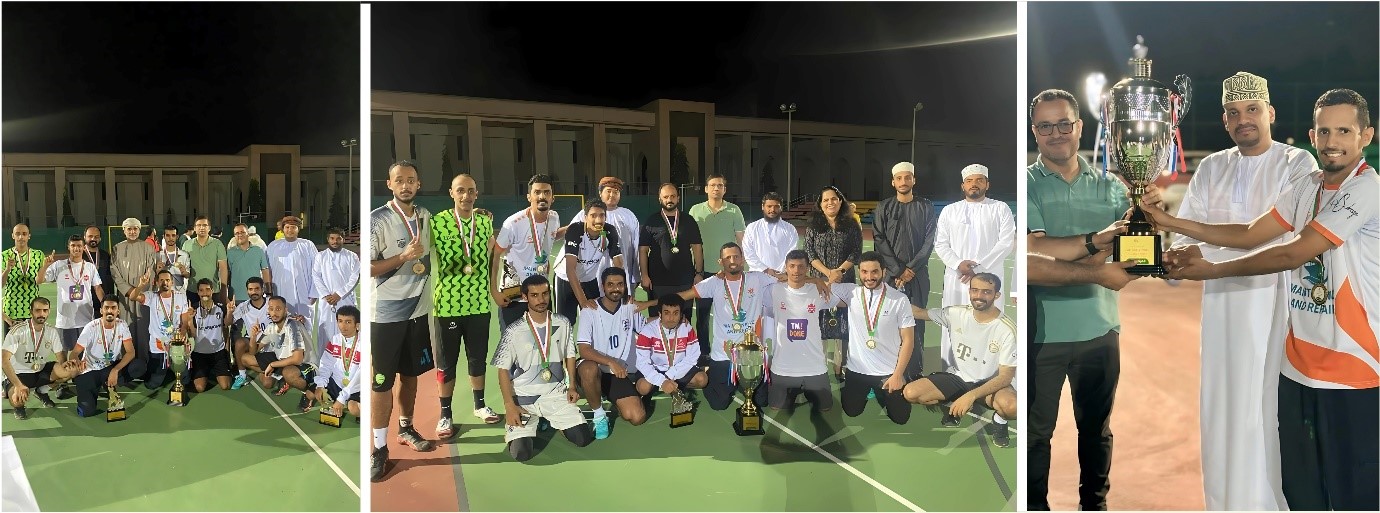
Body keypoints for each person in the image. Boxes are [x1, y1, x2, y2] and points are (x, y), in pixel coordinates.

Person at [1146, 89, 1377, 511]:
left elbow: (1292, 252)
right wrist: (1168, 221)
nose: (1332, 140)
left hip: (1352, 368)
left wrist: (1212, 270)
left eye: (1344, 130)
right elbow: (1250, 233)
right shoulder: (1308, 186)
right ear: (1311, 134)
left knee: (1353, 492)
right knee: (1303, 489)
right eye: (1324, 131)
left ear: (1366, 136)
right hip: (1301, 366)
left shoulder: (1364, 189)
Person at [1165, 72, 1319, 511]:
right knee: (1225, 413)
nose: (1243, 119)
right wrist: (1169, 259)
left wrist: (1204, 247)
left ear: (1270, 113)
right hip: (1222, 315)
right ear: (1225, 120)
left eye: (1252, 110)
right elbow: (1184, 247)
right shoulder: (1213, 167)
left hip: (1279, 309)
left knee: (1271, 414)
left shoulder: (1297, 164)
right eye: (1234, 113)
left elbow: (1278, 239)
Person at [1025, 88, 1161, 511]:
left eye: (1064, 123)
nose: (1056, 133)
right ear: (1035, 132)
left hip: (1100, 332)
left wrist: (1150, 215)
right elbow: (1036, 253)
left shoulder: (1115, 188)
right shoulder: (1026, 183)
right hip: (1041, 335)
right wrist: (1099, 246)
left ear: (1079, 127)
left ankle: (1094, 506)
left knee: (1096, 432)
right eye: (1045, 125)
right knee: (1035, 437)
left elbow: (1134, 256)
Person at [370, 160, 437, 482]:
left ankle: (406, 427)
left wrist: (481, 216)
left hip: (418, 313)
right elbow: (367, 268)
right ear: (390, 184)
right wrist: (402, 257)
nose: (406, 185)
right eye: (400, 181)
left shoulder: (425, 217)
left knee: (411, 376)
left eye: (411, 180)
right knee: (382, 382)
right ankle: (378, 448)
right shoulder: (377, 220)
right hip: (385, 315)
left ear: (418, 184)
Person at [933, 164, 1015, 423]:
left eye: (979, 180)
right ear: (963, 185)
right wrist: (959, 264)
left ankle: (990, 385)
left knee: (992, 332)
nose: (974, 184)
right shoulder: (949, 211)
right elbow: (941, 244)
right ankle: (952, 390)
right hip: (957, 281)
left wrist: (977, 269)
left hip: (988, 281)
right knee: (952, 329)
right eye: (970, 181)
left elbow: (1006, 242)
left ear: (987, 184)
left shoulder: (1000, 209)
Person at [903, 273, 1017, 447]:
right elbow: (919, 313)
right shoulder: (955, 313)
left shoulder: (1007, 329)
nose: (979, 296)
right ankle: (956, 401)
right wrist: (890, 297)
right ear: (969, 291)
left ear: (997, 295)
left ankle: (1000, 421)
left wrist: (971, 396)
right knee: (911, 393)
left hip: (989, 383)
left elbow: (1005, 377)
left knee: (1012, 407)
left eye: (986, 292)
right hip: (958, 378)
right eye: (975, 290)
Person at [493, 275, 594, 461]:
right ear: (525, 297)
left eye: (545, 294)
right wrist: (509, 405)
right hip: (524, 399)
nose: (541, 300)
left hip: (555, 395)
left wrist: (572, 385)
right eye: (535, 295)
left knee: (582, 439)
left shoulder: (562, 323)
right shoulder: (513, 331)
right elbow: (502, 371)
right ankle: (521, 430)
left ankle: (556, 423)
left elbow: (570, 355)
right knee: (521, 453)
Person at [431, 173, 501, 437]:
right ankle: (445, 414)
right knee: (447, 363)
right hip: (448, 304)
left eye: (471, 191)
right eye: (461, 190)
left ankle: (480, 405)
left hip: (479, 303)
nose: (466, 196)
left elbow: (494, 256)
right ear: (452, 193)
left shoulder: (484, 223)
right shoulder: (438, 222)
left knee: (477, 359)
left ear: (476, 193)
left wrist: (494, 290)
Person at [674, 242, 776, 411]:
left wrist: (816, 279)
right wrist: (650, 304)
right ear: (720, 262)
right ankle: (711, 373)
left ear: (743, 260)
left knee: (761, 401)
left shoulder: (757, 278)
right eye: (727, 257)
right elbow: (684, 296)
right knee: (718, 405)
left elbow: (789, 278)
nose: (732, 260)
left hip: (751, 354)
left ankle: (743, 384)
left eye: (736, 256)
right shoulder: (714, 282)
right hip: (723, 355)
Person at [824, 252, 915, 425]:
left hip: (887, 372)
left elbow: (908, 340)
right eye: (864, 272)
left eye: (874, 271)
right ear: (859, 272)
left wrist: (897, 375)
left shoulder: (899, 299)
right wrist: (832, 275)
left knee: (901, 418)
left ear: (884, 271)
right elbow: (822, 286)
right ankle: (869, 391)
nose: (869, 277)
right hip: (858, 370)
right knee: (851, 412)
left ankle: (883, 391)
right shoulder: (851, 292)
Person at [575, 267, 658, 439]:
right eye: (610, 284)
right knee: (589, 370)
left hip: (617, 374)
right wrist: (610, 362)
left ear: (625, 286)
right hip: (595, 368)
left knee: (637, 417)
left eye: (620, 284)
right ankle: (598, 415)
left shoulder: (629, 307)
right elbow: (583, 350)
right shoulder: (589, 310)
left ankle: (613, 397)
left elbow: (645, 326)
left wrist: (669, 317)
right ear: (603, 286)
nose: (615, 289)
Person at [872, 163, 936, 379]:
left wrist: (911, 268)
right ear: (893, 182)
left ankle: (914, 373)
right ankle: (886, 369)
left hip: (918, 275)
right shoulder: (884, 207)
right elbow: (879, 239)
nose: (903, 182)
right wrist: (898, 270)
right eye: (899, 178)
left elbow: (929, 240)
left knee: (916, 321)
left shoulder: (925, 207)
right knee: (886, 320)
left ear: (913, 180)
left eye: (907, 178)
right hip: (890, 275)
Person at [764, 250, 836, 413]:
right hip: (783, 366)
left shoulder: (819, 291)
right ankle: (796, 389)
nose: (796, 271)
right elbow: (751, 281)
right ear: (786, 268)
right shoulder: (774, 290)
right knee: (776, 407)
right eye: (792, 266)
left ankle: (805, 389)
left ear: (807, 269)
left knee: (825, 408)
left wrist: (817, 280)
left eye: (801, 267)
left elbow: (844, 297)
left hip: (814, 366)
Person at [804, 186, 862, 379]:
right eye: (825, 200)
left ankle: (840, 367)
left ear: (840, 201)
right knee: (819, 325)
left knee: (842, 326)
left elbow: (856, 251)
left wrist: (840, 271)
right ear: (820, 205)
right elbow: (810, 254)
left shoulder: (852, 224)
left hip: (845, 282)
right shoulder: (813, 226)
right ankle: (818, 366)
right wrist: (828, 273)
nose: (830, 202)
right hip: (819, 282)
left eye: (834, 199)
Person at [689, 175, 747, 363]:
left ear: (725, 189)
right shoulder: (696, 210)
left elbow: (741, 240)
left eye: (720, 185)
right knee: (703, 316)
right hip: (703, 272)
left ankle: (734, 349)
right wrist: (696, 270)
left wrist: (741, 265)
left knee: (732, 315)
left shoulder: (734, 210)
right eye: (713, 185)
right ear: (706, 189)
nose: (716, 188)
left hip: (728, 273)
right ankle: (704, 352)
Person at [494, 174, 562, 328]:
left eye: (546, 192)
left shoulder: (554, 218)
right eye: (537, 192)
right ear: (529, 197)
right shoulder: (513, 223)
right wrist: (494, 292)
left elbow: (552, 235)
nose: (542, 196)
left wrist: (573, 227)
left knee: (542, 343)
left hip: (541, 293)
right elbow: (496, 254)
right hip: (514, 294)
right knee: (513, 345)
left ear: (553, 197)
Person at [39, 236, 104, 381]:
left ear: (83, 247)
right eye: (73, 245)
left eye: (79, 245)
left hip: (86, 319)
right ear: (69, 247)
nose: (76, 248)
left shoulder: (89, 267)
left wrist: (105, 305)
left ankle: (81, 378)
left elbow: (98, 288)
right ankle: (62, 382)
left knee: (84, 352)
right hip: (65, 319)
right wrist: (45, 265)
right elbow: (40, 280)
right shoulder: (59, 265)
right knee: (62, 353)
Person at [2, 299, 79, 419]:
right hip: (19, 375)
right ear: (31, 312)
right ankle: (19, 407)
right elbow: (4, 360)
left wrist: (67, 365)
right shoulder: (18, 331)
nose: (41, 314)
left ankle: (41, 391)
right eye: (38, 310)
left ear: (48, 312)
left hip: (40, 371)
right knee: (16, 399)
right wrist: (18, 385)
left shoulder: (51, 331)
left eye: (45, 310)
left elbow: (60, 356)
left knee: (72, 371)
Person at [567, 176, 642, 296]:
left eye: (616, 192)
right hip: (591, 276)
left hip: (622, 272)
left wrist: (636, 275)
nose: (612, 195)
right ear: (600, 193)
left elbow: (636, 246)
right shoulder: (585, 214)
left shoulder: (628, 216)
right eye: (608, 191)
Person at [639, 183, 703, 317]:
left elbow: (697, 247)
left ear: (678, 198)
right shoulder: (652, 221)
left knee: (684, 321)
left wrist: (699, 273)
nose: (669, 200)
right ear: (660, 199)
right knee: (657, 320)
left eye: (673, 196)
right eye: (666, 197)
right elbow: (643, 250)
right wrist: (644, 275)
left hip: (685, 281)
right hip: (657, 282)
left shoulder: (689, 220)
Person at [554, 199, 623, 323]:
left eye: (602, 215)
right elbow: (570, 269)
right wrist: (583, 302)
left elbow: (618, 262)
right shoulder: (575, 230)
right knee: (565, 322)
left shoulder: (609, 231)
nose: (598, 220)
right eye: (593, 216)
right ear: (585, 217)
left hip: (589, 279)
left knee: (596, 319)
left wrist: (620, 288)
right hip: (565, 279)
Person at [633, 293, 709, 404]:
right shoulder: (647, 331)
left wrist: (671, 374)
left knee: (702, 379)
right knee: (643, 388)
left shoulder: (687, 328)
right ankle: (660, 386)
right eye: (667, 313)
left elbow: (692, 357)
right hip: (656, 369)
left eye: (675, 313)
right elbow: (642, 363)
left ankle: (673, 385)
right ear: (660, 314)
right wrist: (661, 381)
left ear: (681, 315)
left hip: (678, 369)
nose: (671, 318)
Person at [125, 269, 193, 391]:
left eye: (167, 280)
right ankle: (165, 371)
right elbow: (133, 296)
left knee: (185, 381)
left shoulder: (180, 296)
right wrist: (141, 285)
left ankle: (173, 370)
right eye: (161, 280)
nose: (164, 283)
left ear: (172, 282)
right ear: (156, 282)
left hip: (176, 346)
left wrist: (180, 338)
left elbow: (184, 321)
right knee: (152, 385)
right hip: (158, 346)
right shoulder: (152, 296)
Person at [70, 297, 136, 418]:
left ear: (118, 311)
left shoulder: (122, 325)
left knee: (138, 366)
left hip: (109, 368)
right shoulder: (91, 327)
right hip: (90, 370)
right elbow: (74, 353)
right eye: (106, 308)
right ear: (101, 311)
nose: (109, 311)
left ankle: (109, 384)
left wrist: (115, 370)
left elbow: (131, 352)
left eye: (113, 308)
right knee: (86, 412)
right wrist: (76, 362)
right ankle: (93, 388)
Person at [242, 297, 313, 406]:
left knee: (288, 373)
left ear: (286, 310)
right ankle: (282, 379)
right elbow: (253, 352)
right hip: (283, 361)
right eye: (271, 309)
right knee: (245, 359)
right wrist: (253, 337)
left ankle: (308, 392)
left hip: (305, 363)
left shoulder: (292, 325)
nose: (274, 313)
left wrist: (272, 364)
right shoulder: (271, 327)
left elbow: (297, 359)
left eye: (278, 309)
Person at [311, 227, 359, 358]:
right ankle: (324, 366)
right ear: (328, 239)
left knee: (346, 333)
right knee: (325, 334)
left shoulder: (352, 256)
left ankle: (346, 365)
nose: (335, 241)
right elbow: (316, 276)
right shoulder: (320, 256)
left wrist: (339, 294)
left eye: (338, 238)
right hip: (326, 303)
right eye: (332, 238)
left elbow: (355, 278)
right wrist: (326, 295)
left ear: (343, 239)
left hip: (345, 301)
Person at [314, 305, 362, 423]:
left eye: (348, 322)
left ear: (357, 325)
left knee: (353, 408)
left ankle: (363, 412)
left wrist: (341, 398)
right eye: (340, 321)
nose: (343, 326)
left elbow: (360, 377)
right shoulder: (335, 340)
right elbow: (326, 364)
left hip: (356, 387)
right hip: (338, 383)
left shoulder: (364, 343)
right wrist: (320, 385)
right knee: (314, 392)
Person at [185, 279, 233, 392]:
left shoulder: (221, 307)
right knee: (200, 388)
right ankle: (206, 372)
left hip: (218, 353)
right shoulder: (194, 309)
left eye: (207, 290)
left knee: (225, 386)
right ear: (197, 292)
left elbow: (227, 324)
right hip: (199, 354)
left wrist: (230, 312)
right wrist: (190, 320)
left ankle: (217, 370)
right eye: (201, 290)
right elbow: (192, 334)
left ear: (212, 291)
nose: (205, 293)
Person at [267, 215, 316, 322]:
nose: (290, 230)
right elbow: (268, 271)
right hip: (280, 292)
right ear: (282, 229)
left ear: (298, 229)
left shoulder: (307, 245)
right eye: (287, 227)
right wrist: (269, 292)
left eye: (293, 227)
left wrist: (314, 293)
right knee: (282, 327)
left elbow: (316, 270)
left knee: (304, 326)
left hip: (303, 294)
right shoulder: (273, 246)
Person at [742, 192, 799, 280]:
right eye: (769, 206)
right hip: (757, 276)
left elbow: (792, 253)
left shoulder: (790, 229)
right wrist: (765, 269)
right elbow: (748, 253)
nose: (772, 210)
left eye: (776, 206)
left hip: (782, 277)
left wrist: (780, 271)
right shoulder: (752, 227)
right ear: (762, 207)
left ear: (781, 208)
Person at [111, 218, 156, 326]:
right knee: (126, 326)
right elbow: (114, 273)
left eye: (135, 229)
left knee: (144, 327)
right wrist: (129, 290)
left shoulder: (149, 248)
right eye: (129, 229)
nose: (132, 232)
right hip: (125, 295)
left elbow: (151, 270)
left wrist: (140, 289)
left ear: (139, 230)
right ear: (124, 230)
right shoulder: (117, 249)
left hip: (143, 294)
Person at [230, 277, 272, 389]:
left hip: (270, 346)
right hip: (253, 343)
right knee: (239, 343)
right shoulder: (243, 307)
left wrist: (298, 318)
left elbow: (286, 315)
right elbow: (228, 322)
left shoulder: (271, 303)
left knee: (268, 384)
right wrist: (229, 312)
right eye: (250, 289)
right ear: (247, 291)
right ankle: (242, 375)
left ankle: (271, 369)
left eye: (257, 289)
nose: (254, 292)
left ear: (263, 289)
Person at [2, 224, 46, 332]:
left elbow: (39, 281)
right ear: (13, 236)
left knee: (32, 347)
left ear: (29, 236)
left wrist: (45, 266)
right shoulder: (4, 256)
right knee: (11, 348)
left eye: (24, 234)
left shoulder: (38, 255)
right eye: (18, 234)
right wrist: (7, 269)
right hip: (11, 312)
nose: (21, 237)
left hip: (32, 311)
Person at [181, 216, 228, 306]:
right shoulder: (187, 244)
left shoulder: (217, 244)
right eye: (199, 225)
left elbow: (223, 268)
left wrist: (224, 290)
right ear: (194, 228)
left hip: (213, 291)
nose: (202, 228)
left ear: (209, 228)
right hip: (193, 291)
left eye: (204, 225)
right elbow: (183, 267)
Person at [226, 223, 272, 303]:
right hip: (236, 297)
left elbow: (265, 270)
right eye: (237, 233)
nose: (240, 235)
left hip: (256, 296)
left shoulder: (258, 251)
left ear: (248, 234)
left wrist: (268, 291)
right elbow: (226, 273)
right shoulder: (229, 253)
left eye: (242, 232)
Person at [83, 226, 115, 310]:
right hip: (84, 302)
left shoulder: (105, 255)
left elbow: (110, 278)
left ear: (100, 238)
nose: (93, 239)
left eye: (96, 236)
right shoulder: (79, 255)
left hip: (102, 301)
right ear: (84, 237)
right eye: (90, 236)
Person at [158, 225, 192, 295]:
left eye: (173, 235)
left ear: (177, 237)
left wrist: (184, 272)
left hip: (179, 292)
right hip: (162, 292)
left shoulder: (184, 255)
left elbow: (188, 275)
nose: (170, 238)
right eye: (168, 235)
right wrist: (157, 271)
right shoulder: (157, 255)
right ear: (164, 237)